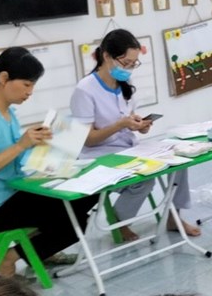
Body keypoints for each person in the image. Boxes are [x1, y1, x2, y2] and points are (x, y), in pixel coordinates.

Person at [0, 46, 96, 277]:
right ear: (4, 78)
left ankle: (37, 252)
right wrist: (21, 145)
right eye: (26, 85)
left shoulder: (8, 113)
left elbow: (14, 157)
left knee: (86, 196)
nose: (30, 92)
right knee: (75, 220)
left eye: (32, 85)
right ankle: (9, 257)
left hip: (13, 192)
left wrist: (40, 145)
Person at [70, 29, 198, 241]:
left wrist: (138, 125)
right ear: (107, 56)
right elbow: (88, 140)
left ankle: (173, 217)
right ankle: (119, 222)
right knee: (144, 181)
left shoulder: (124, 85)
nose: (128, 68)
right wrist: (120, 124)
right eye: (126, 62)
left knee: (180, 161)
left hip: (129, 148)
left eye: (133, 63)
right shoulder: (85, 90)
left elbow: (126, 119)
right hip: (99, 155)